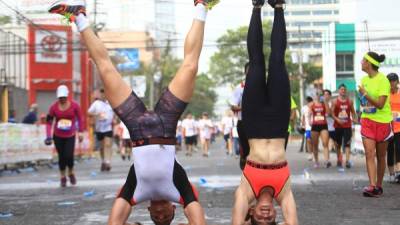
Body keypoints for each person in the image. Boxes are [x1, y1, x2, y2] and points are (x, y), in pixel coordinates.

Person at [49, 0, 218, 224]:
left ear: (147, 211)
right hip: (166, 124)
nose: (160, 213)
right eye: (165, 215)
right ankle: (202, 5)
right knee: (190, 66)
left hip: (136, 125)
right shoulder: (180, 189)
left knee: (105, 68)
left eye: (155, 216)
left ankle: (78, 15)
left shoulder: (135, 190)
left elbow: (114, 221)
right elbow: (198, 219)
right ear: (174, 209)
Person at [232, 1, 298, 225]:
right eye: (269, 219)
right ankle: (279, 6)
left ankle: (257, 6)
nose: (266, 214)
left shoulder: (246, 190)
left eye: (260, 218)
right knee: (278, 61)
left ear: (251, 212)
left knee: (257, 62)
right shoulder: (284, 193)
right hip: (279, 122)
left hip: (254, 120)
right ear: (275, 216)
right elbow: (293, 221)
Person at [358, 51, 391, 197]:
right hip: (367, 121)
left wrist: (365, 94)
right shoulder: (363, 80)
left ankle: (379, 185)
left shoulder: (383, 80)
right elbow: (364, 103)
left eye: (363, 60)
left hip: (383, 122)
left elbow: (381, 104)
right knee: (369, 153)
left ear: (370, 63)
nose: (361, 62)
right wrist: (362, 101)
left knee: (381, 155)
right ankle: (372, 186)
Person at [44, 85, 84, 187]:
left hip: (70, 135)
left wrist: (80, 132)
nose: (62, 99)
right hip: (58, 135)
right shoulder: (53, 107)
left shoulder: (75, 106)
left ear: (67, 96)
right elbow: (49, 122)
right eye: (60, 98)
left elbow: (80, 119)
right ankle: (62, 176)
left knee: (69, 156)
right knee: (61, 157)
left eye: (64, 97)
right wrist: (48, 136)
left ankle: (70, 172)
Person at [331, 84, 357, 169]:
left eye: (344, 89)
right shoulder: (335, 101)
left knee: (347, 143)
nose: (343, 91)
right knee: (337, 144)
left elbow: (353, 112)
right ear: (339, 90)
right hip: (338, 125)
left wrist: (354, 118)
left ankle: (347, 161)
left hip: (347, 125)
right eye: (341, 89)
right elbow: (332, 113)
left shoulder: (350, 101)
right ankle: (339, 159)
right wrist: (337, 119)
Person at [88, 88, 115, 171]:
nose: (104, 95)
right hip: (99, 128)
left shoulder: (111, 103)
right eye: (102, 93)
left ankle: (108, 162)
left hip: (108, 128)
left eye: (105, 93)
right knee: (101, 147)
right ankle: (103, 161)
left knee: (108, 144)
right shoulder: (96, 104)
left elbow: (116, 113)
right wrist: (97, 114)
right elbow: (88, 112)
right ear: (100, 95)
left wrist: (115, 119)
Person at [230, 65, 250, 170]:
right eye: (249, 71)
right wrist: (244, 108)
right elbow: (233, 106)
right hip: (243, 122)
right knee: (246, 148)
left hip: (259, 123)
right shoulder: (240, 88)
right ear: (245, 72)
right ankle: (244, 164)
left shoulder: (263, 87)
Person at [310, 91, 331, 168]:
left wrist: (325, 102)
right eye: (317, 94)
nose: (318, 96)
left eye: (320, 94)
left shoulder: (324, 103)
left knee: (325, 143)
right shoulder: (312, 104)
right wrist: (309, 120)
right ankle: (316, 161)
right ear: (315, 96)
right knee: (315, 145)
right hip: (315, 125)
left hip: (323, 125)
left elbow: (328, 113)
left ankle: (327, 161)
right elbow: (308, 113)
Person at [386, 73, 400, 183]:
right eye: (389, 81)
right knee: (389, 150)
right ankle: (391, 173)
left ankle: (398, 172)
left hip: (399, 126)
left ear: (397, 81)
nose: (391, 83)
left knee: (399, 149)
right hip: (388, 127)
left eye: (393, 81)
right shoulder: (385, 95)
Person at [300, 96, 313, 160]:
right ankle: (310, 154)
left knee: (314, 141)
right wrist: (303, 124)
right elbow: (302, 117)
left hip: (314, 126)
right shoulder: (304, 108)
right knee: (308, 140)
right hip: (307, 127)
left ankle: (314, 153)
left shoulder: (314, 107)